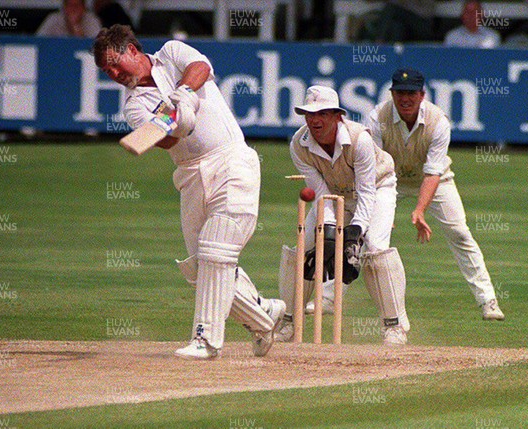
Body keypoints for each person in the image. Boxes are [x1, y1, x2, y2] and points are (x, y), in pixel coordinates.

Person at [92, 25, 285, 360]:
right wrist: (177, 116)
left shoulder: (170, 54)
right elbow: (167, 139)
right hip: (191, 176)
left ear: (133, 50)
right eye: (106, 71)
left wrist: (182, 93)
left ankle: (206, 340)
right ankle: (264, 314)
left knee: (216, 250)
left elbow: (201, 69)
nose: (114, 73)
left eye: (115, 62)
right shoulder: (134, 106)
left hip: (230, 159)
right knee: (201, 268)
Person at [366, 68, 504, 321]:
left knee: (460, 233)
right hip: (388, 179)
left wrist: (419, 210)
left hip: (434, 180)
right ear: (392, 93)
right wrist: (379, 208)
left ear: (422, 95)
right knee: (365, 233)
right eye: (399, 93)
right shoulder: (377, 117)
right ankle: (330, 299)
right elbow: (372, 166)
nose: (405, 99)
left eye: (411, 93)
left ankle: (488, 301)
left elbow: (433, 172)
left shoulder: (438, 121)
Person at [276, 85, 410, 345]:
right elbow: (320, 191)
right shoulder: (299, 144)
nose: (315, 120)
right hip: (334, 194)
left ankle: (394, 325)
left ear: (338, 116)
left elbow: (367, 190)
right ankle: (290, 322)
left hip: (377, 187)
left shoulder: (359, 139)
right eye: (309, 114)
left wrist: (354, 232)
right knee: (305, 245)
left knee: (374, 247)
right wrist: (328, 230)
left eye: (323, 114)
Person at [37, 0, 101, 37]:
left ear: (84, 8)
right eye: (70, 5)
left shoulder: (92, 20)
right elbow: (38, 41)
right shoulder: (54, 19)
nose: (73, 9)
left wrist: (76, 27)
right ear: (64, 8)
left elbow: (97, 45)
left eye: (77, 6)